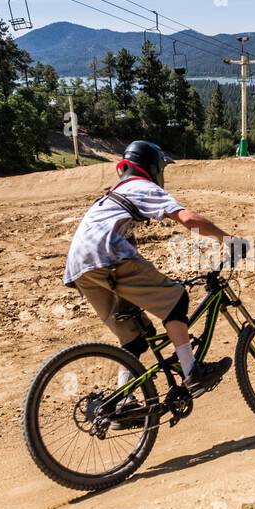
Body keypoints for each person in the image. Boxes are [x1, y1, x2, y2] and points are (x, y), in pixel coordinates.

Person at [63, 140, 242, 396]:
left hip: (80, 269)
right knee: (176, 298)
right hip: (107, 258)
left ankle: (122, 401)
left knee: (134, 338)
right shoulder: (142, 186)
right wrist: (229, 239)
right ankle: (192, 373)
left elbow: (129, 252)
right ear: (153, 167)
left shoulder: (112, 195)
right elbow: (188, 219)